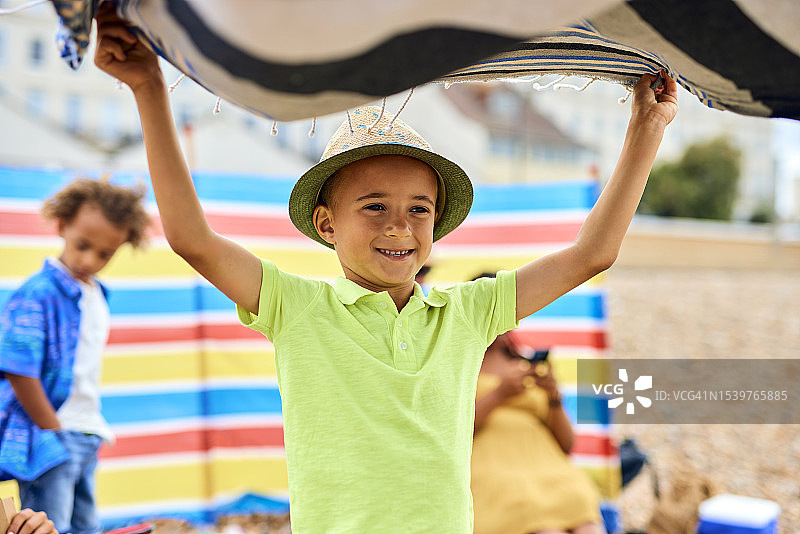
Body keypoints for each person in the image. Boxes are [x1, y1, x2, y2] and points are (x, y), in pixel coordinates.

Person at [92, 4, 677, 532]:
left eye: (418, 210)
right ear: (326, 224)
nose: (399, 227)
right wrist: (148, 86)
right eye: (374, 207)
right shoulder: (298, 308)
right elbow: (192, 239)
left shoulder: (468, 313)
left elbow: (591, 255)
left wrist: (646, 130)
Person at [0, 178, 150, 534]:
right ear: (62, 224)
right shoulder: (38, 294)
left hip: (85, 432)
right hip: (52, 436)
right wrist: (50, 430)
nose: (89, 260)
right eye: (83, 245)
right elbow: (18, 368)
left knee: (86, 526)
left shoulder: (96, 294)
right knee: (49, 527)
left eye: (104, 254)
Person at [471, 329, 603, 534]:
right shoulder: (457, 363)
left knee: (585, 517)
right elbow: (451, 430)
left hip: (548, 465)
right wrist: (499, 395)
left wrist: (553, 395)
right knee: (540, 522)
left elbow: (566, 445)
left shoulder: (524, 364)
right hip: (494, 466)